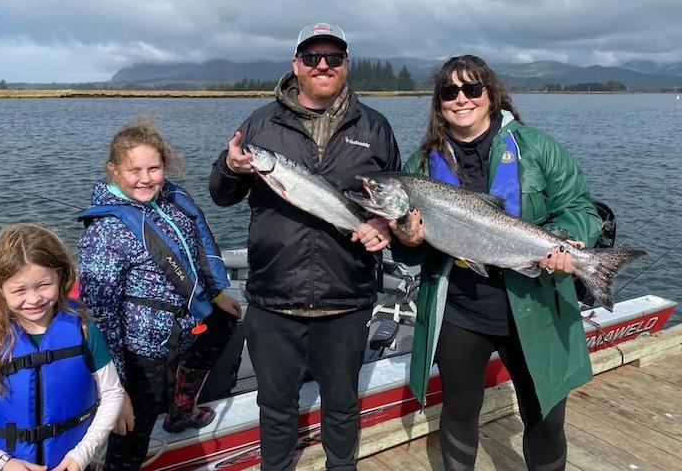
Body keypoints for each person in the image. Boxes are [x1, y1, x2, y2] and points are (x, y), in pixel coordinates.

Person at [391, 55, 603, 471]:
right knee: (457, 416)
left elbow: (583, 210)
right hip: (459, 312)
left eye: (472, 89)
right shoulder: (418, 167)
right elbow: (409, 252)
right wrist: (407, 240)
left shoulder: (538, 147)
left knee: (545, 419)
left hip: (536, 307)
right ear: (439, 103)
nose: (461, 99)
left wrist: (566, 245)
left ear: (491, 95)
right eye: (449, 92)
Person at [209, 23, 401, 471]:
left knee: (342, 406)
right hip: (274, 297)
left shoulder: (375, 127)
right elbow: (221, 194)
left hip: (346, 296)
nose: (322, 65)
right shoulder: (260, 123)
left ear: (346, 65)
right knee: (275, 410)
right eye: (312, 57)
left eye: (333, 58)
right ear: (295, 65)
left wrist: (383, 225)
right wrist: (233, 166)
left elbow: (396, 199)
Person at [78, 116, 242, 471]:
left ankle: (182, 409)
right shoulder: (105, 232)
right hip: (141, 352)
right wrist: (116, 390)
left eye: (154, 168)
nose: (145, 178)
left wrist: (215, 297)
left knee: (226, 321)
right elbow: (99, 319)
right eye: (134, 170)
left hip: (186, 324)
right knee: (134, 432)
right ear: (113, 170)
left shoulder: (171, 204)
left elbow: (194, 256)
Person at [0, 223, 124, 471]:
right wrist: (0, 464)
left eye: (43, 285)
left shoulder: (85, 333)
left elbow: (112, 394)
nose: (34, 299)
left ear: (61, 278)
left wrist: (82, 454)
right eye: (19, 290)